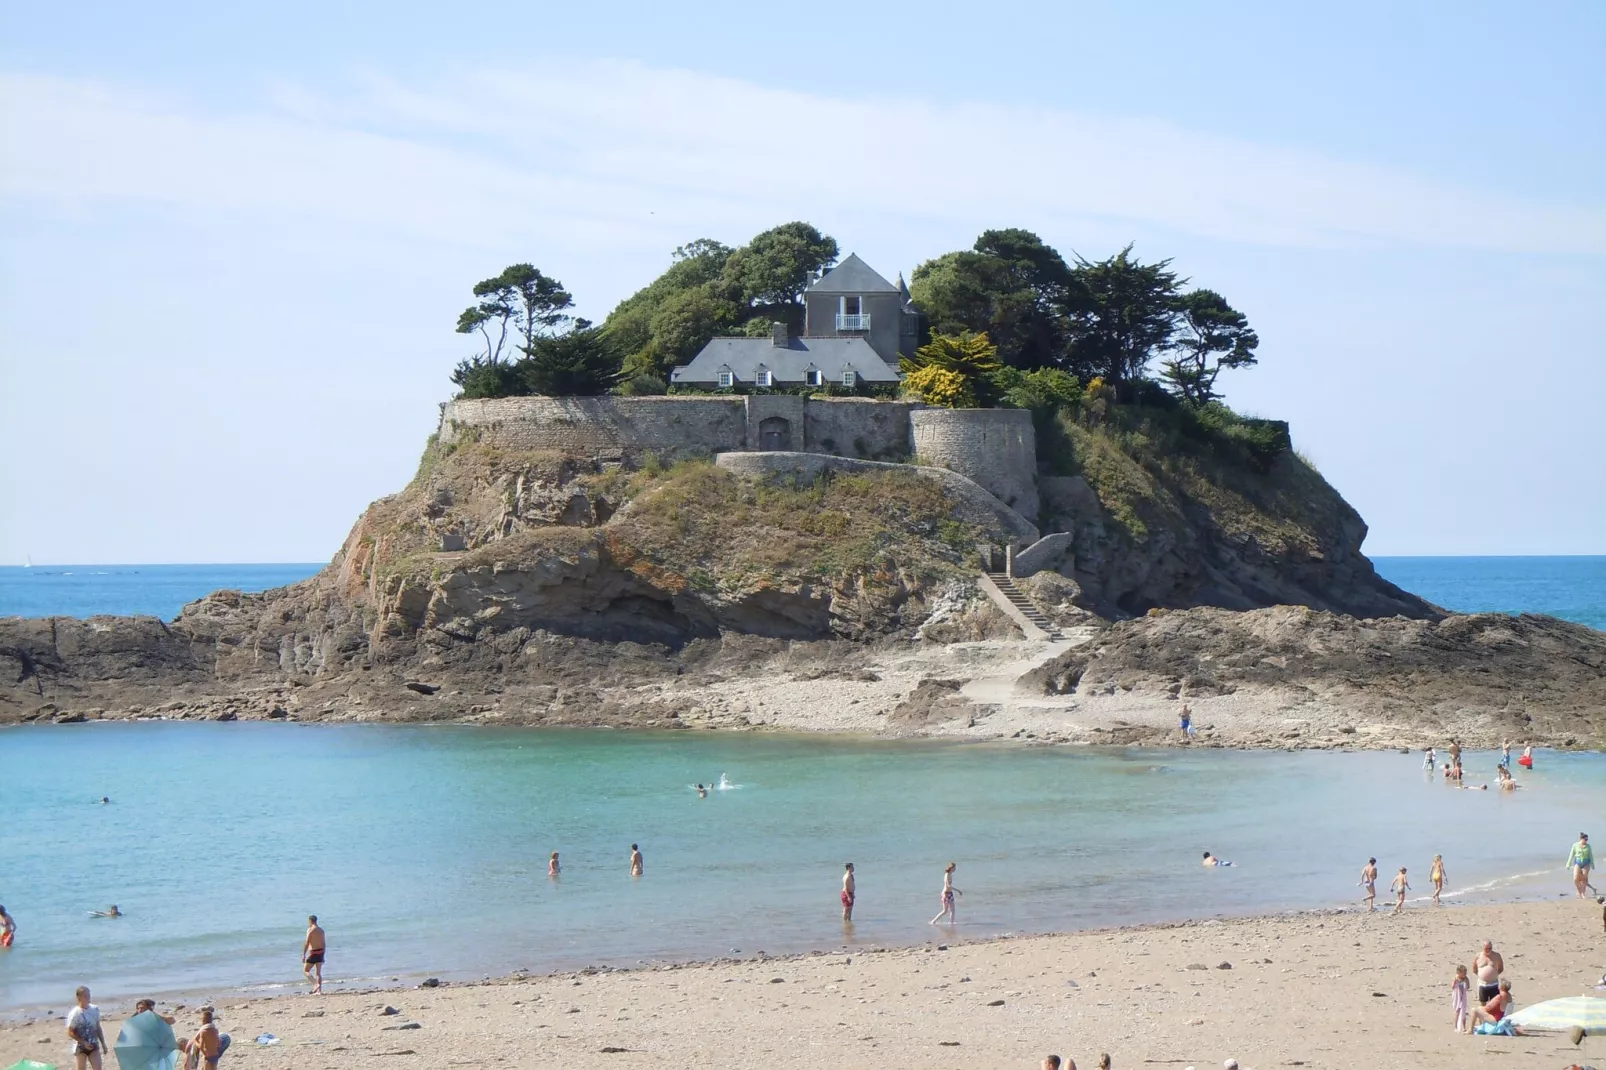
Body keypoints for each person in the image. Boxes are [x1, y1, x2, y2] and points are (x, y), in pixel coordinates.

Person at [65, 985, 108, 1070]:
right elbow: (70, 1032)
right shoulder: (75, 1013)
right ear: (79, 997)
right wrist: (84, 1042)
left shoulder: (95, 1009)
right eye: (85, 996)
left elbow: (98, 1028)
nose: (88, 997)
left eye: (89, 995)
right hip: (80, 1047)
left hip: (94, 1045)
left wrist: (103, 1043)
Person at [1472, 940, 1504, 1007]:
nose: (1488, 950)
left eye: (1490, 948)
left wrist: (1493, 975)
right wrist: (1482, 976)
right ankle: (1483, 1017)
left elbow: (1501, 968)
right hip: (1482, 984)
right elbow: (1474, 969)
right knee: (1482, 1003)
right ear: (1482, 948)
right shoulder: (1478, 956)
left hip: (1494, 984)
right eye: (1486, 948)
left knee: (1495, 1003)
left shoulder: (1497, 956)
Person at [302, 915, 326, 994]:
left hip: (313, 953)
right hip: (321, 952)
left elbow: (307, 943)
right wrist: (323, 955)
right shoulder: (321, 930)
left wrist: (304, 954)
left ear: (310, 921)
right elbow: (323, 943)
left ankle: (315, 984)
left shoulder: (310, 930)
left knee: (306, 970)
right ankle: (319, 991)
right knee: (318, 973)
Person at [1568, 833, 1594, 898]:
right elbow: (1571, 855)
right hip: (1577, 863)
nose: (1586, 841)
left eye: (1587, 839)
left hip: (1586, 863)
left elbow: (1591, 856)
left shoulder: (1588, 846)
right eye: (1585, 839)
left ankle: (1583, 893)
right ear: (1581, 839)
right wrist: (1568, 863)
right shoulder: (1575, 845)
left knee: (1584, 878)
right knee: (1575, 878)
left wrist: (1592, 864)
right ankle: (1579, 891)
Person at [1450, 964, 1470, 1033]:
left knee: (1464, 1011)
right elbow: (1452, 987)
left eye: (1465, 973)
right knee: (1457, 1011)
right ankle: (1455, 1026)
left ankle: (1464, 1027)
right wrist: (1455, 982)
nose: (1464, 974)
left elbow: (1468, 987)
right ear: (1458, 973)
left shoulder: (1465, 978)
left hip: (1463, 996)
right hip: (1457, 996)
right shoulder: (1455, 978)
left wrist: (1466, 981)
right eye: (1463, 973)